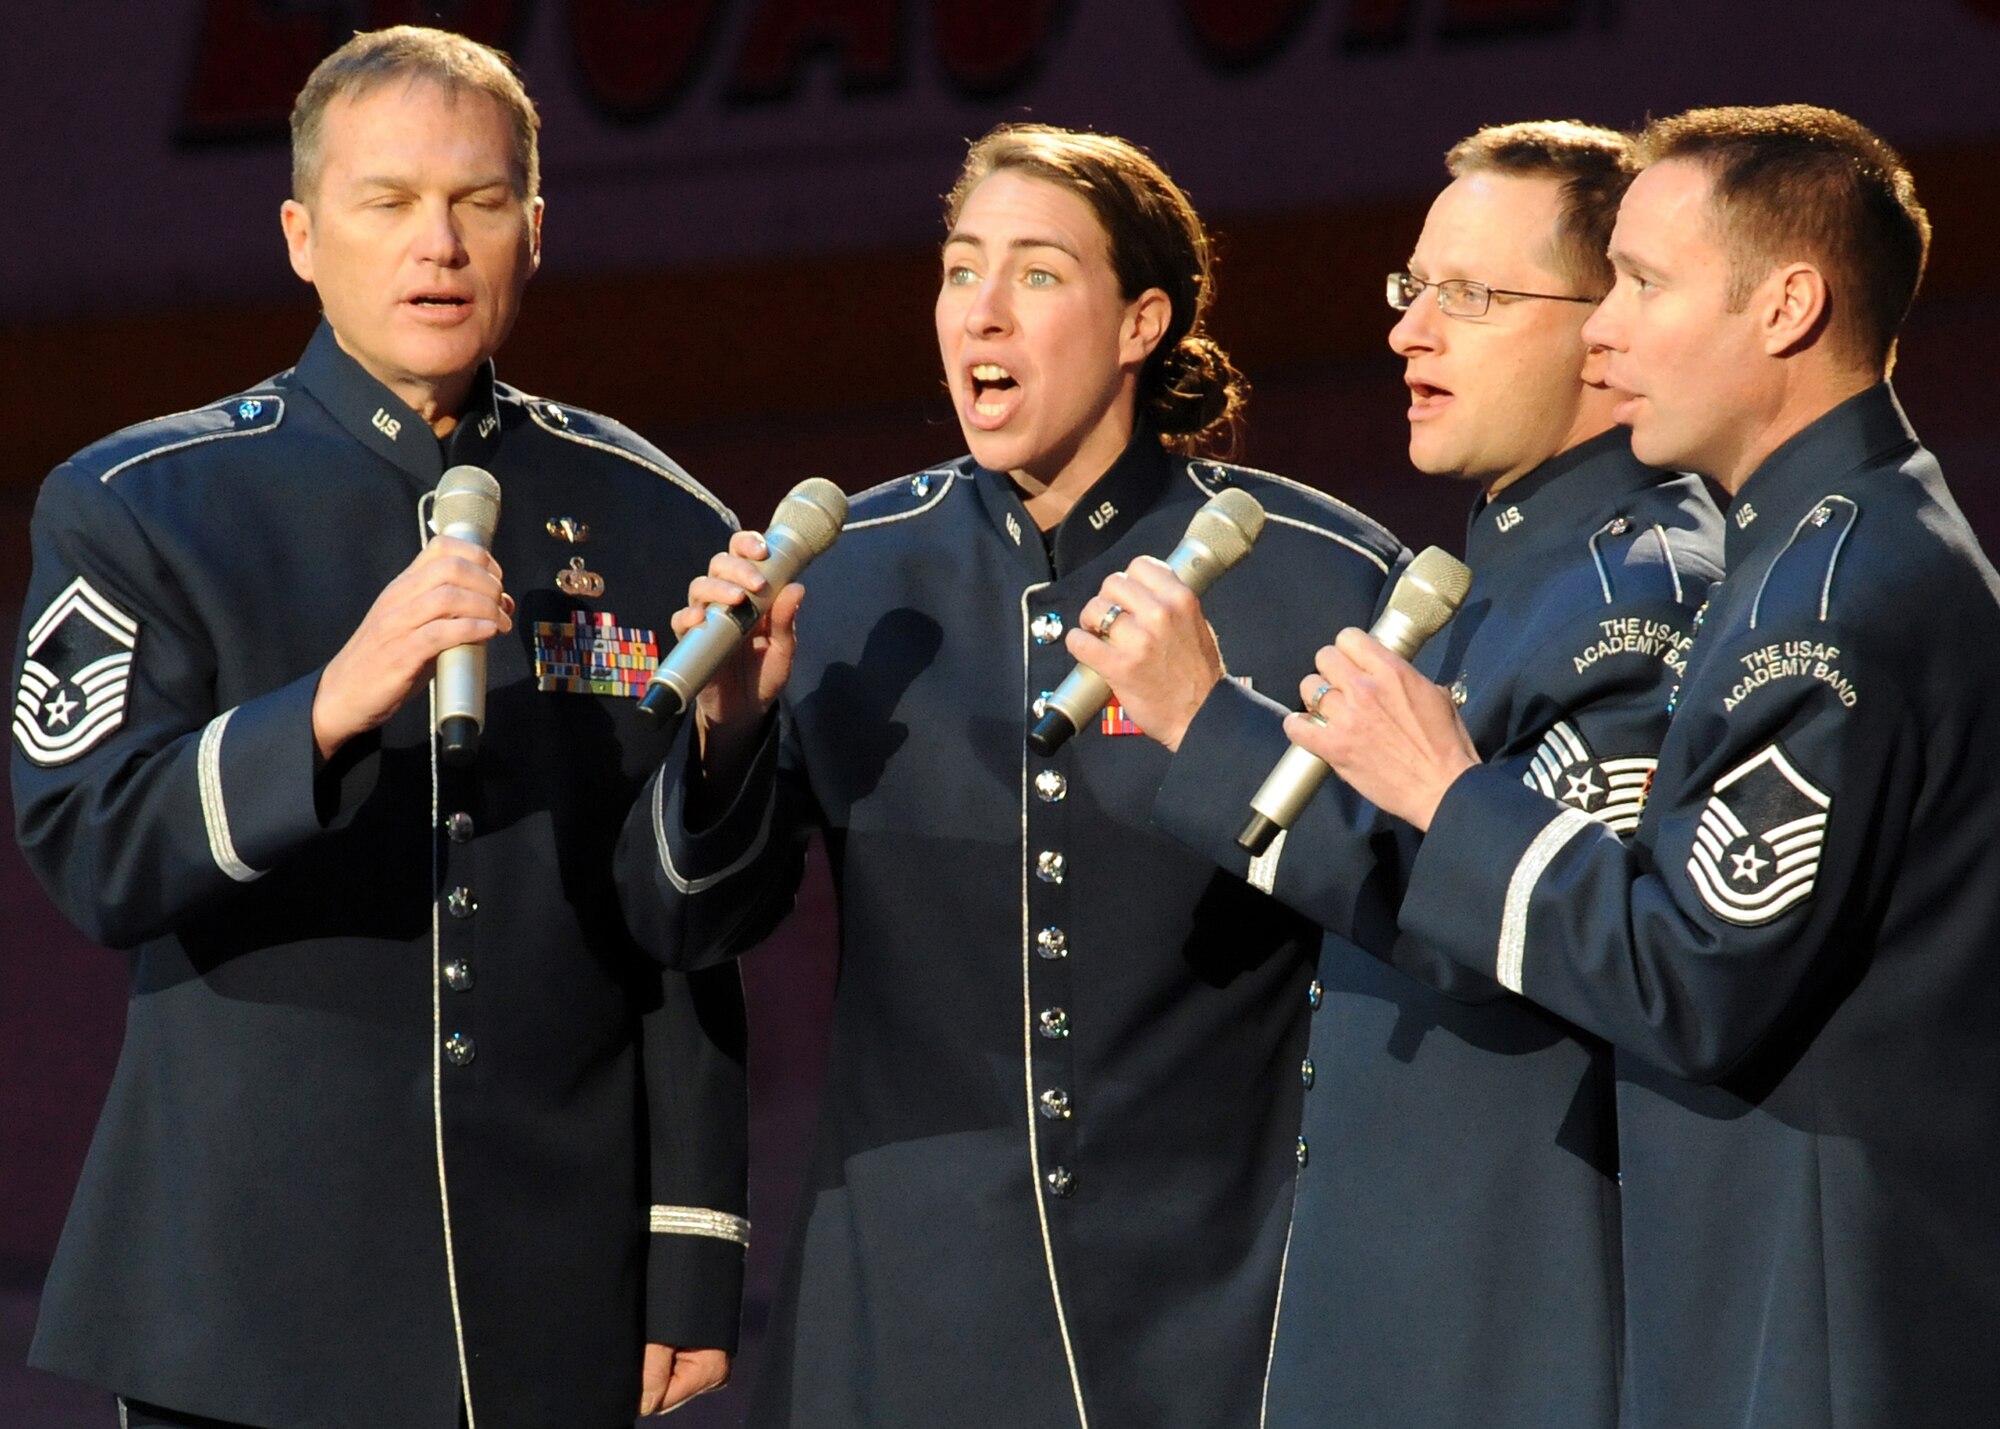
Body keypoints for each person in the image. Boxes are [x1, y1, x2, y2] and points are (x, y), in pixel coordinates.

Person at [12, 28, 746, 1429]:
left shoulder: (662, 520)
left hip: (544, 1287)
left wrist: (693, 1243)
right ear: (301, 234)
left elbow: (681, 935)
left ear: (535, 231)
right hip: (240, 1295)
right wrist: (330, 708)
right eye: (388, 201)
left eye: (479, 203)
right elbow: (92, 845)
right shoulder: (142, 505)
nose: (440, 246)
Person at [615, 124, 1404, 1427]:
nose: (981, 310)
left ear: (1141, 319)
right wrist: (731, 737)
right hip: (910, 1298)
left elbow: (1400, 907)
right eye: (960, 268)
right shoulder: (851, 572)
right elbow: (689, 918)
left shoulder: (1321, 572)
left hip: (1224, 1288)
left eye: (1037, 273)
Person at [1297, 104, 2000, 1427]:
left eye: (1642, 284)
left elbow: (1695, 978)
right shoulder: (1818, 549)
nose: (1605, 332)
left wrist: (1453, 795)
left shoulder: (1831, 597)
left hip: (1819, 1336)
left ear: (1788, 305)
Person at [1073, 121, 1723, 1426]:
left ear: (1610, 330)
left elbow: (1554, 942)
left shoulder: (1634, 599)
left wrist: (1215, 726)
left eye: (1469, 297)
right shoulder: (1510, 578)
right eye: (1410, 289)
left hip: (1521, 1329)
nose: (1409, 333)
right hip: (1406, 1321)